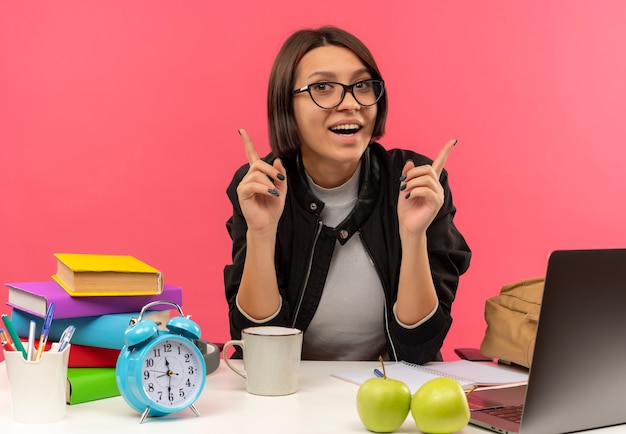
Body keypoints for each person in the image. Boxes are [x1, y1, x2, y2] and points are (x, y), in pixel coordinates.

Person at [224, 26, 471, 364]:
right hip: (291, 393)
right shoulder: (261, 184)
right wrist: (261, 233)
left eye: (362, 85)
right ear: (287, 105)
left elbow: (419, 348)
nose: (351, 103)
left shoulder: (415, 181)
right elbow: (257, 349)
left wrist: (414, 236)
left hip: (389, 389)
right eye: (322, 87)